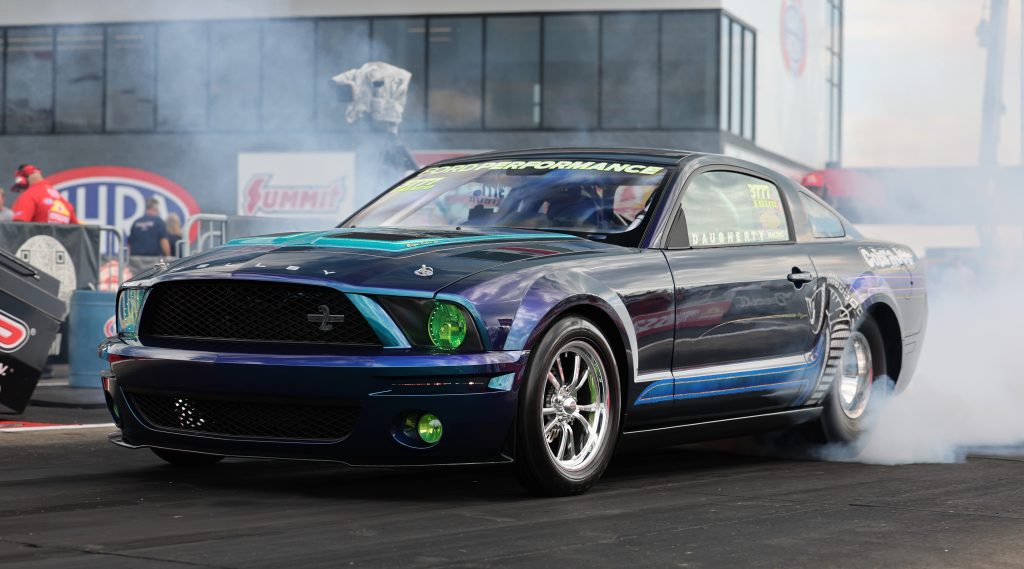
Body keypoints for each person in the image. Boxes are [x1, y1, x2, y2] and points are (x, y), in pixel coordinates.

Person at [10, 164, 78, 224]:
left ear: (23, 181)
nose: (20, 191)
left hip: (38, 238)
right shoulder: (63, 201)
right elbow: (77, 230)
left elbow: (19, 227)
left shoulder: (29, 195)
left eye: (20, 187)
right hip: (58, 239)